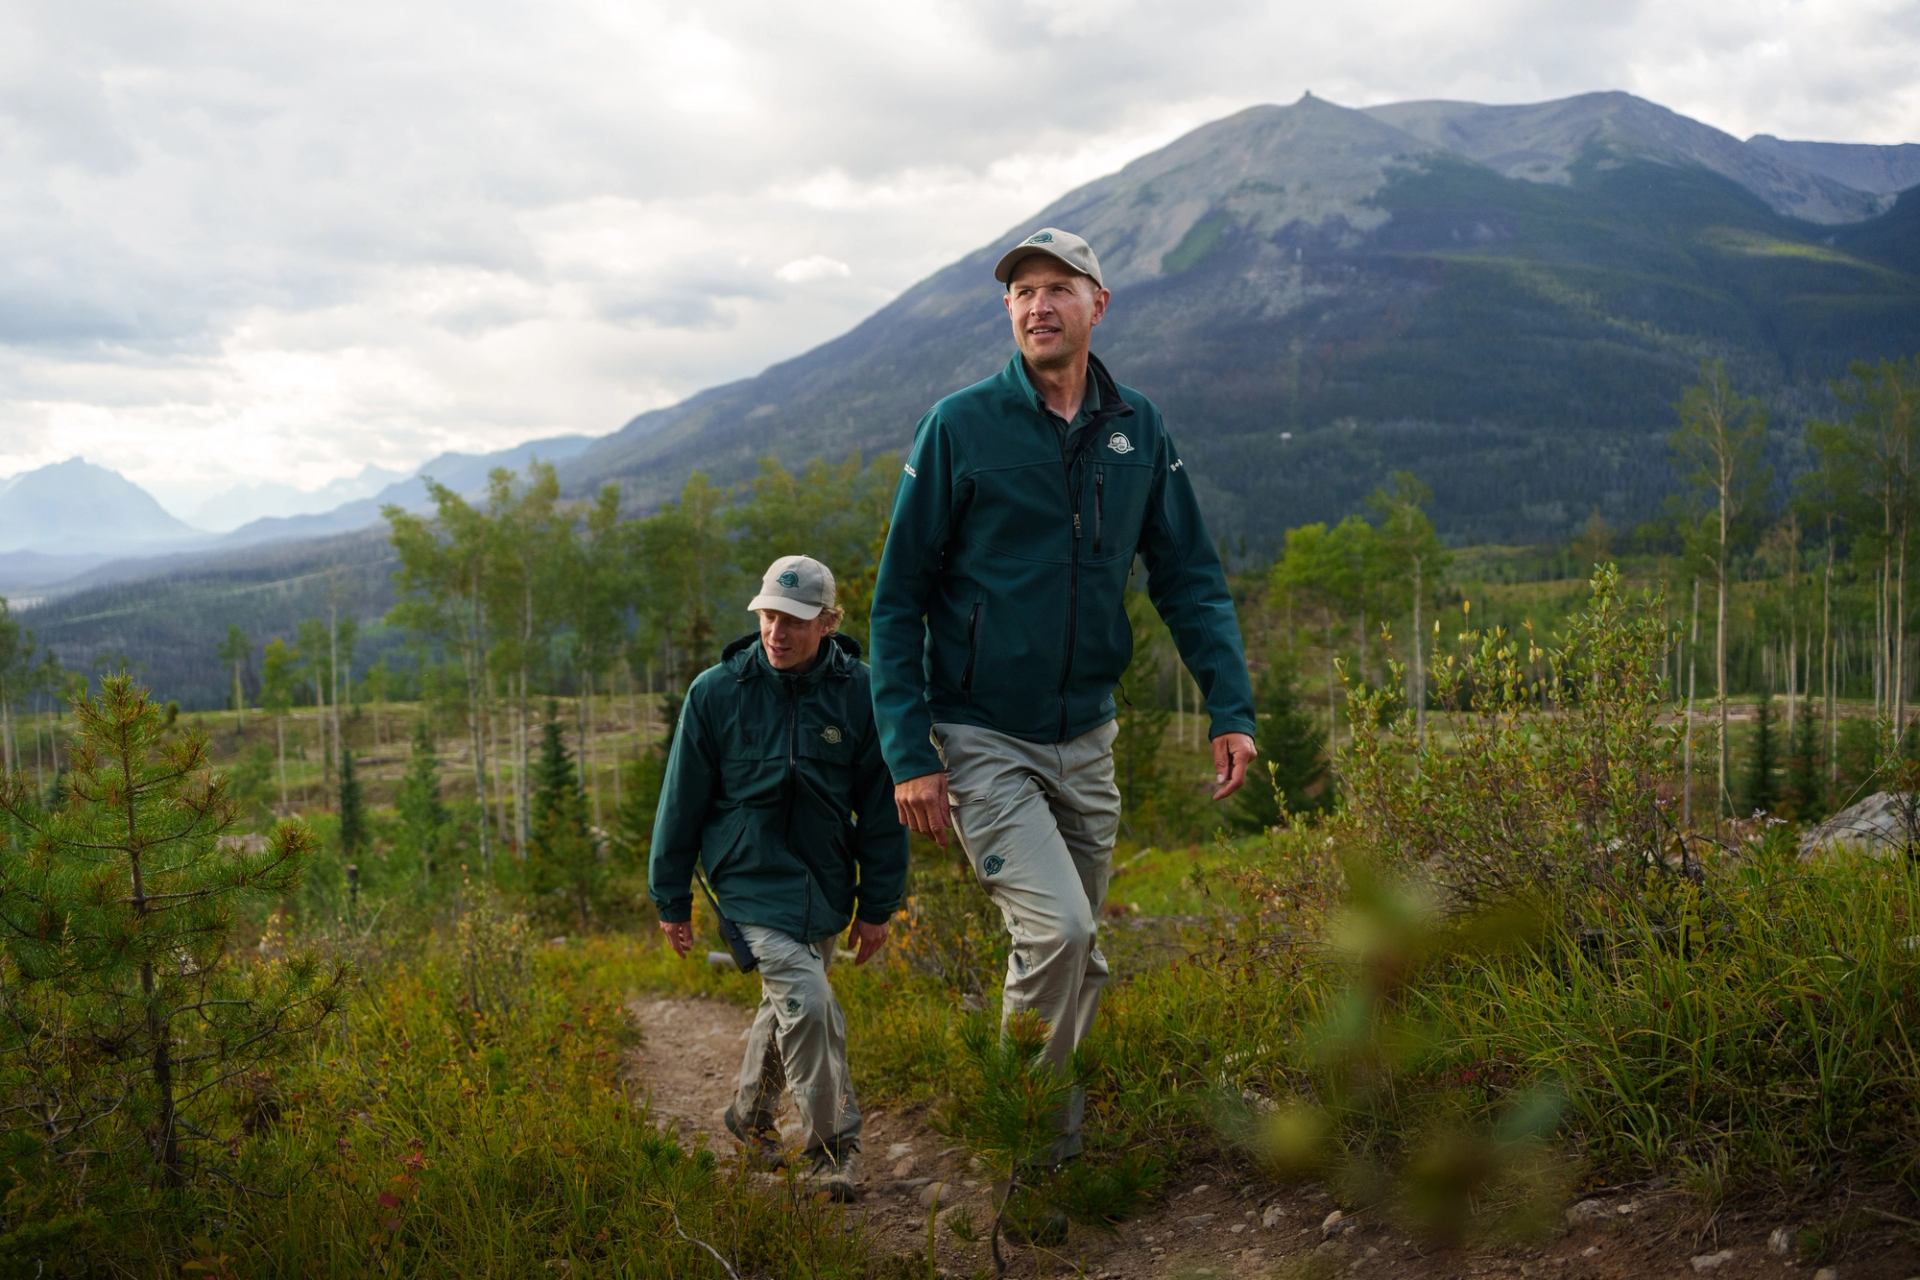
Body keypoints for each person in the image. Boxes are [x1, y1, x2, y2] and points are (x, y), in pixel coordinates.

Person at [869, 226, 1259, 1173]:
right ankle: (1030, 1151)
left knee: (1073, 955)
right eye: (1021, 292)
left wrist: (1231, 706)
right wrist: (910, 752)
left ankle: (1057, 1138)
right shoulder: (959, 425)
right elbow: (897, 600)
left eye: (1057, 288)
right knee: (1062, 930)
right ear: (1008, 312)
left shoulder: (1140, 429)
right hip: (980, 734)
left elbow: (1189, 577)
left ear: (1099, 304)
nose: (1037, 305)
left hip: (1088, 733)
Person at [649, 555, 907, 1201]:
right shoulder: (716, 692)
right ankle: (831, 1150)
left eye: (792, 620)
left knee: (788, 1001)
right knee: (811, 1003)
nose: (775, 632)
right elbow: (680, 800)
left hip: (822, 879)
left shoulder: (861, 694)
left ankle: (750, 1113)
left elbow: (882, 809)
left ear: (826, 622)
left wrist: (877, 904)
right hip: (746, 872)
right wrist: (671, 896)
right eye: (767, 615)